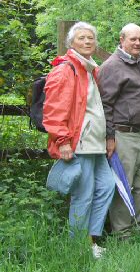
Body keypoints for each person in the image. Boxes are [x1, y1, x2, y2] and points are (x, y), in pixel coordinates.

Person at [43, 22, 115, 259]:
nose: (87, 42)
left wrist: (106, 137)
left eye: (91, 38)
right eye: (82, 38)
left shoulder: (89, 68)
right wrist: (62, 140)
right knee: (83, 195)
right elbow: (53, 109)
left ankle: (91, 239)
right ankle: (78, 246)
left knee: (106, 186)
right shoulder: (65, 69)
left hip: (95, 144)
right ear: (71, 42)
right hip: (79, 145)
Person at [97, 23, 140, 239]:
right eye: (133, 39)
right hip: (121, 134)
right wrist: (109, 137)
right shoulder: (112, 66)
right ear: (121, 39)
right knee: (124, 186)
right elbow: (104, 104)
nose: (137, 43)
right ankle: (122, 234)